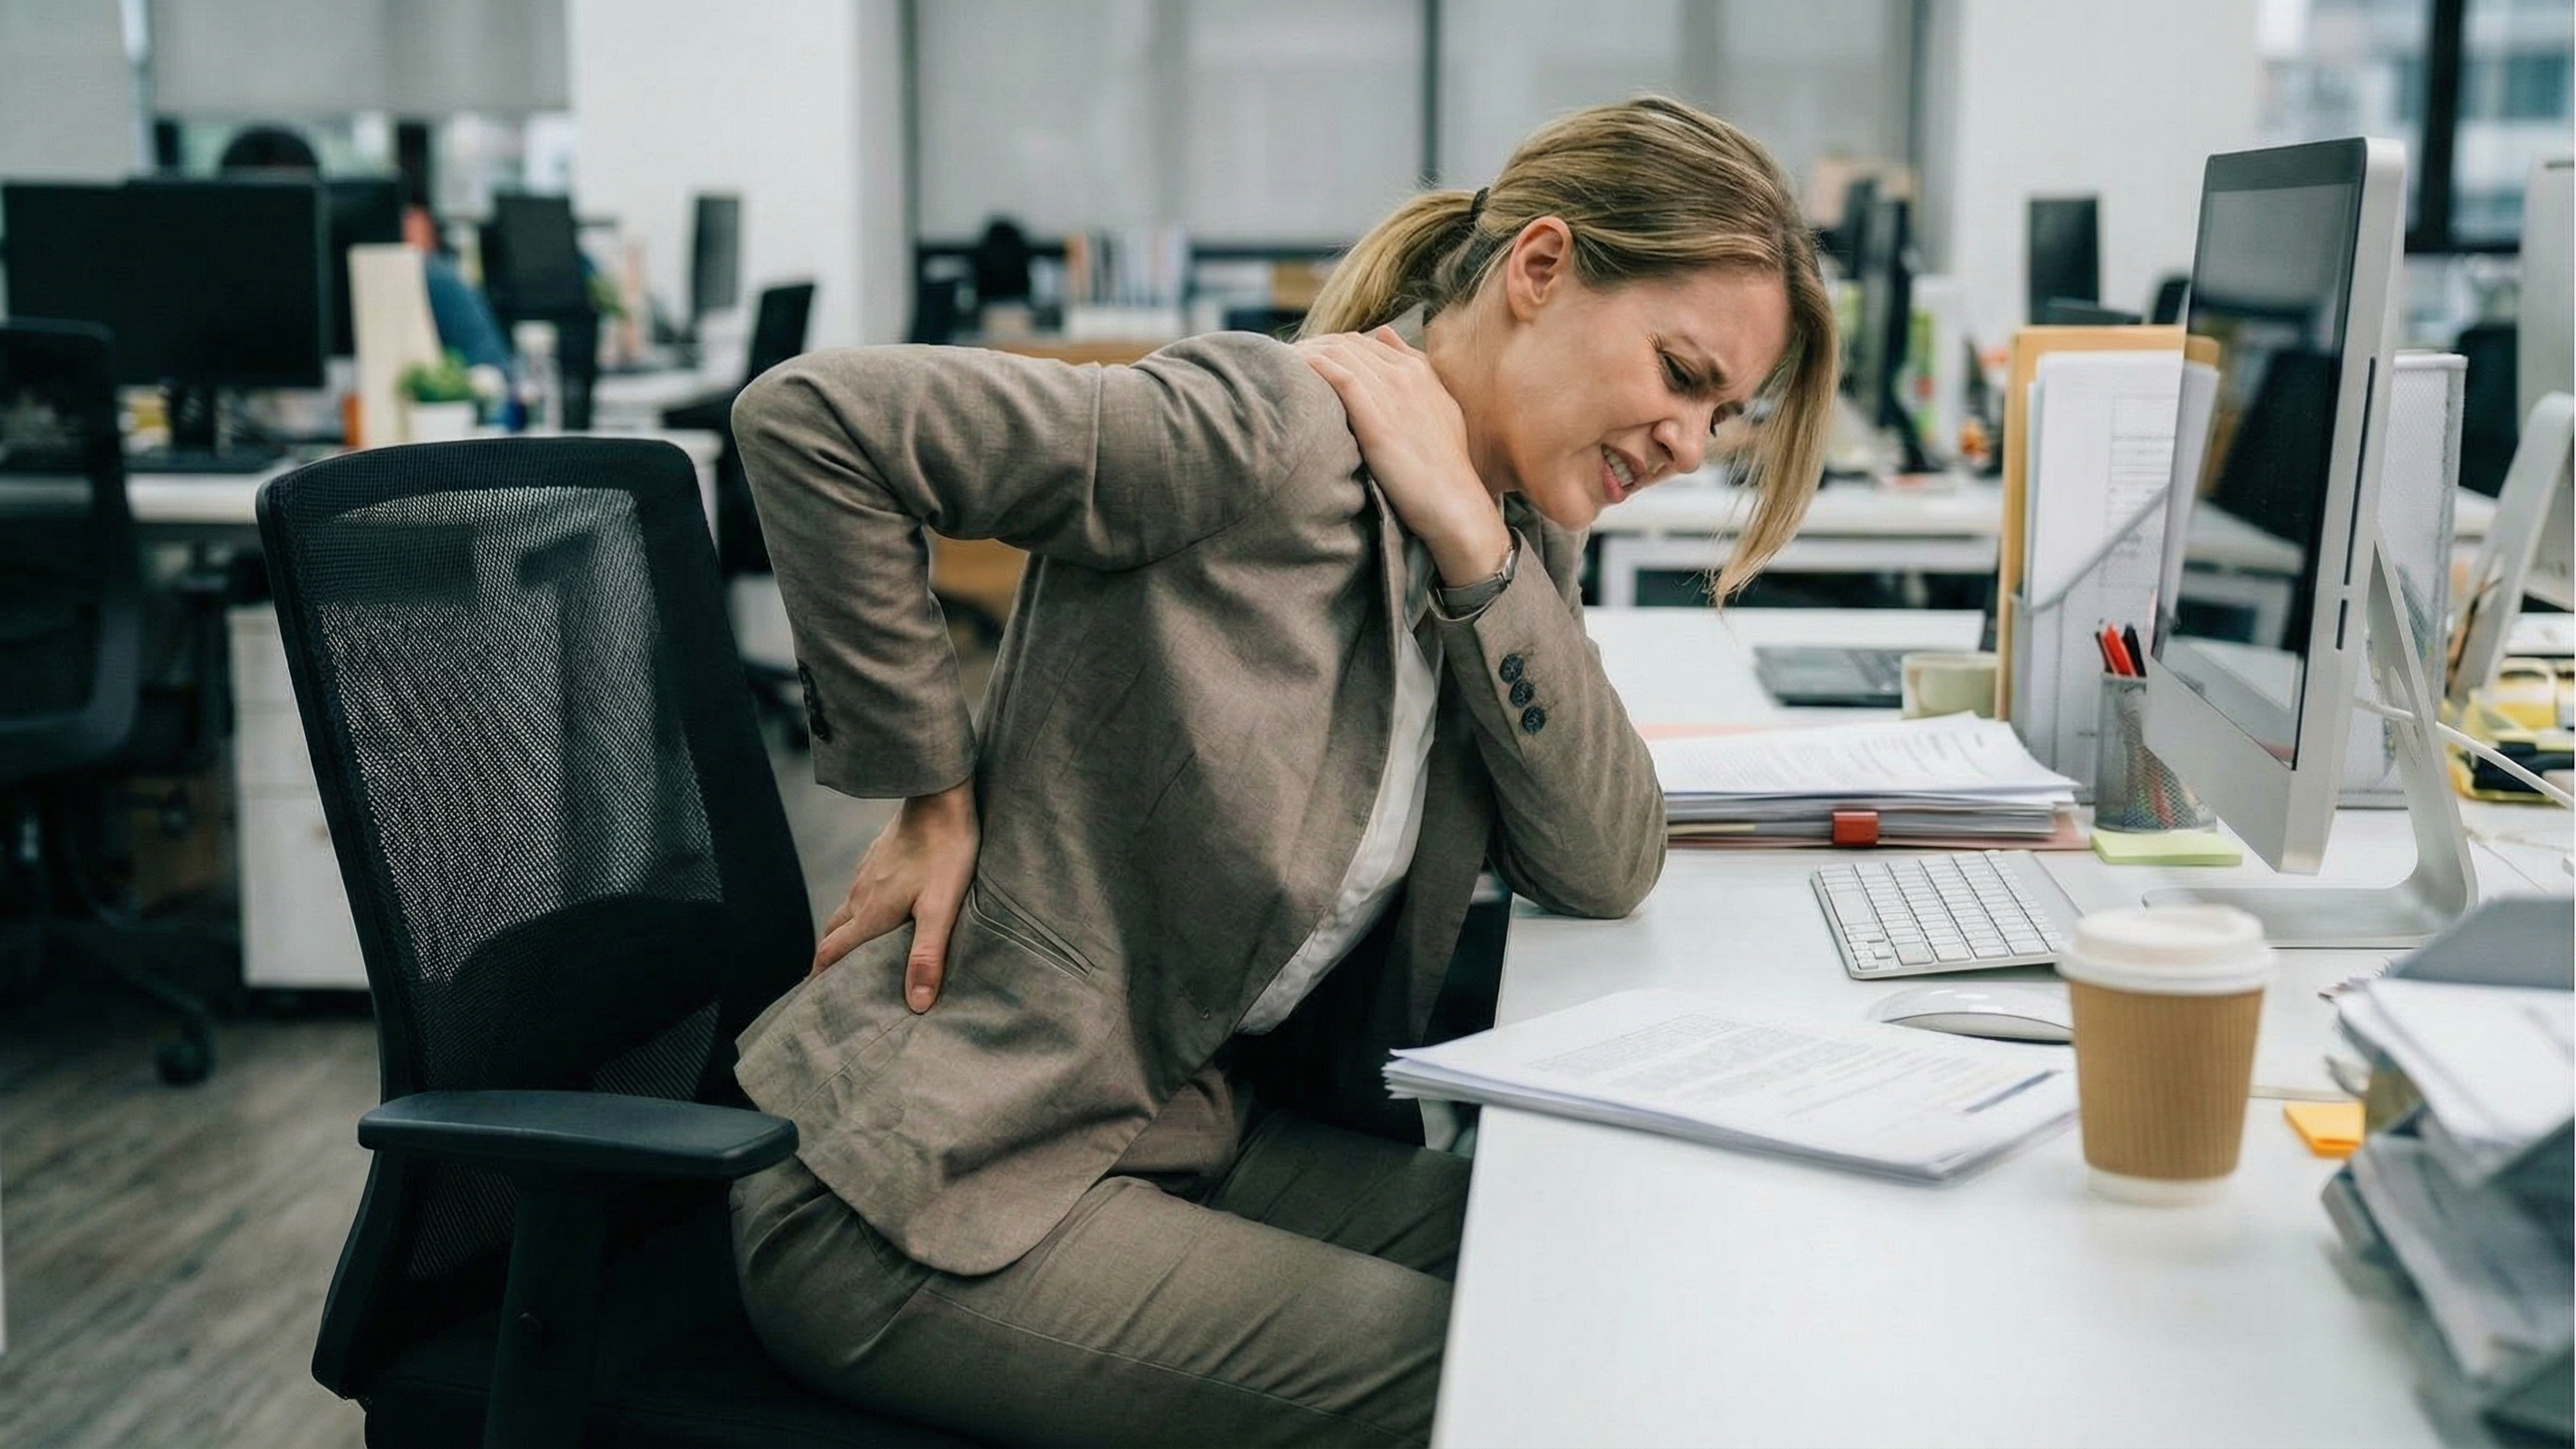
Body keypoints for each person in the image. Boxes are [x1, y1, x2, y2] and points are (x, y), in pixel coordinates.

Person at [726, 96, 1835, 1447]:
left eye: (1722, 413)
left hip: (1179, 1134)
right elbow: (817, 420)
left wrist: (1478, 557)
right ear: (1540, 271)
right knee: (1520, 1382)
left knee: (1614, 1271)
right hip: (937, 1179)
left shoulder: (1516, 539)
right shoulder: (1263, 429)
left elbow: (1606, 863)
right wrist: (929, 789)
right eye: (1680, 373)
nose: (1689, 443)